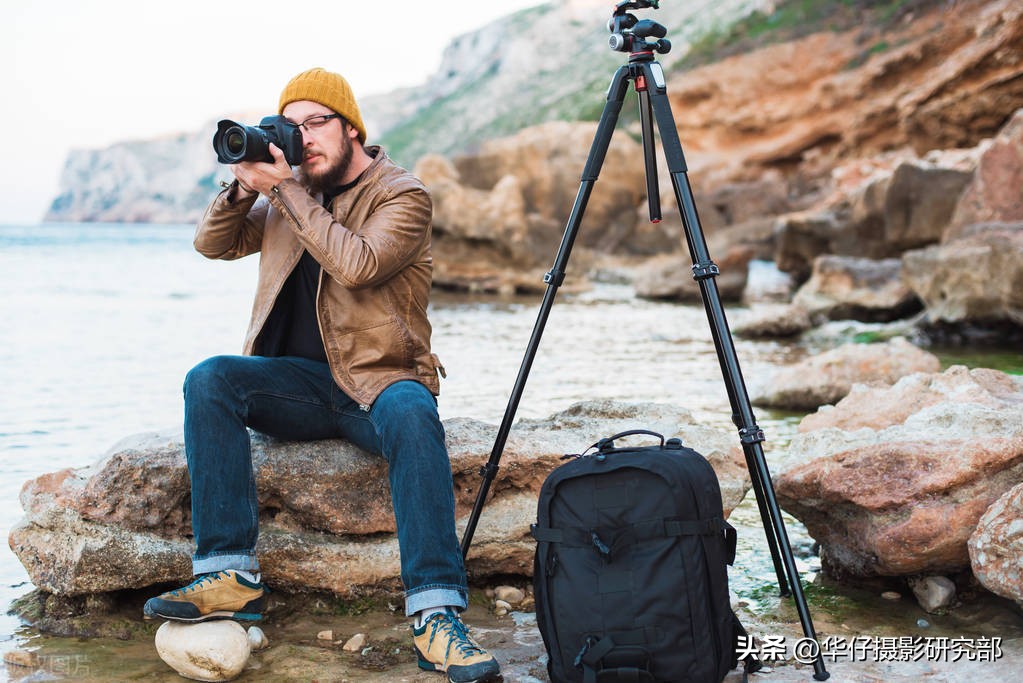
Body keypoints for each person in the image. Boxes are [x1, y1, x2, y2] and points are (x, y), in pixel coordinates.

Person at [142, 67, 501, 683]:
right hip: (300, 387)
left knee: (415, 417)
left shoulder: (401, 194)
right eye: (292, 126)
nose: (304, 138)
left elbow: (358, 264)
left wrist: (285, 189)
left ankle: (435, 615)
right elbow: (212, 244)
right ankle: (229, 576)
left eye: (317, 123)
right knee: (210, 379)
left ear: (351, 127)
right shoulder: (291, 193)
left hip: (379, 379)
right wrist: (242, 187)